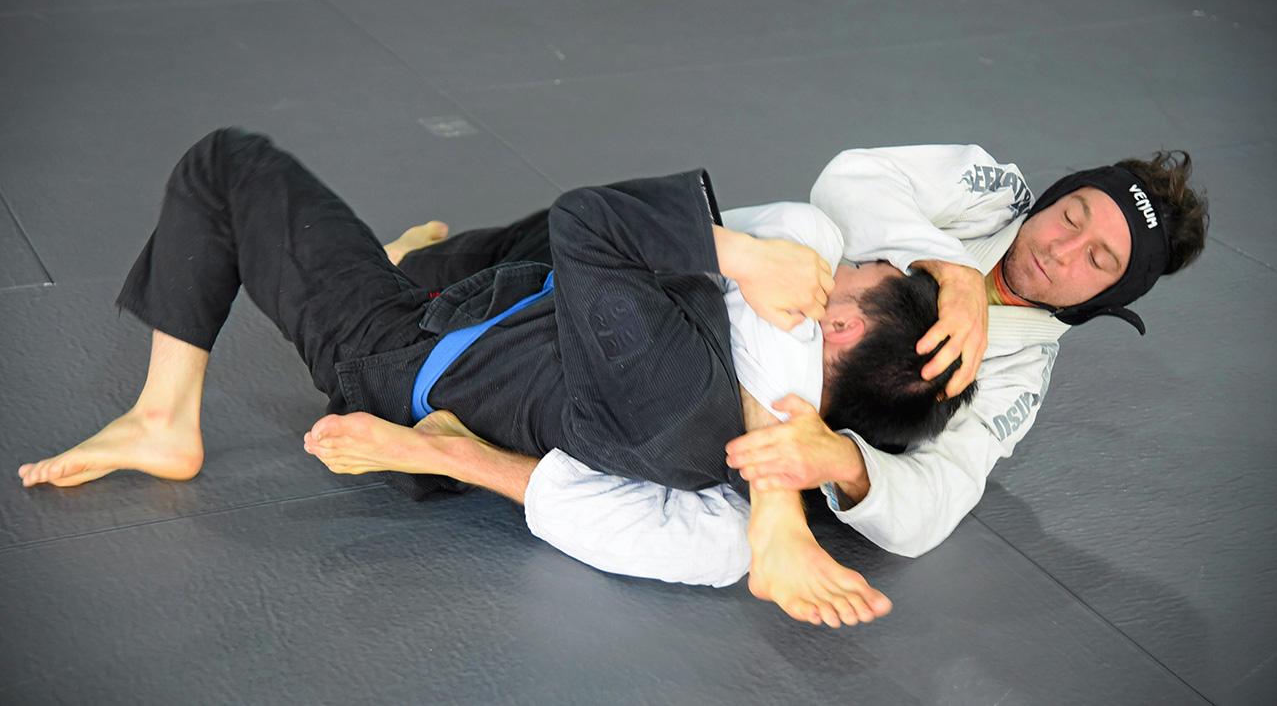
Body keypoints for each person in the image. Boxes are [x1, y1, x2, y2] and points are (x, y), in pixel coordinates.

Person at [15, 128, 969, 629]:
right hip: (496, 328)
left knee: (227, 163)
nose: (834, 267)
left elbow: (595, 221)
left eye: (850, 276)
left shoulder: (683, 382)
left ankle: (162, 417)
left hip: (399, 355)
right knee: (533, 249)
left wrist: (744, 256)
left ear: (839, 324)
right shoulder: (724, 427)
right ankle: (408, 266)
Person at [363, 144, 1207, 585]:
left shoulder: (1019, 377)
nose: (1062, 248)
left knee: (719, 548)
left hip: (753, 417)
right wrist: (946, 266)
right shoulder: (988, 190)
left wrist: (842, 460)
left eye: (1098, 260)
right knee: (794, 232)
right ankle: (418, 259)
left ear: (1106, 297)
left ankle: (470, 458)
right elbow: (850, 178)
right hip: (726, 298)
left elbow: (936, 505)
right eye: (1072, 215)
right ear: (1056, 194)